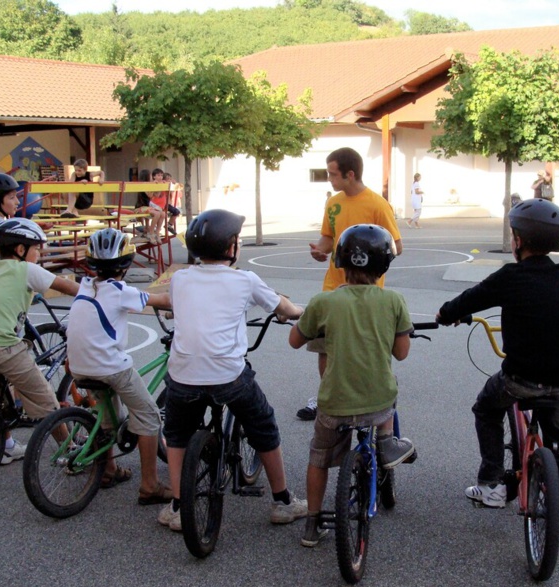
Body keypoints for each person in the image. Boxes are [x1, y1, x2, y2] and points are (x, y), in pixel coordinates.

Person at [435, 199, 559, 535]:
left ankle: (491, 485)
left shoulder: (511, 276)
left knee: (486, 408)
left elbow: (471, 299)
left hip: (521, 379)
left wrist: (446, 313)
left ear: (519, 241)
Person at [158, 209, 307, 531]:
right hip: (228, 376)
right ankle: (282, 501)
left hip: (183, 376)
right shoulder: (245, 280)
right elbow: (285, 308)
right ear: (231, 246)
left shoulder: (181, 278)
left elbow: (179, 305)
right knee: (264, 426)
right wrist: (296, 313)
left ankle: (177, 506)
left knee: (176, 434)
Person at [288, 224, 416, 547]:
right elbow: (401, 353)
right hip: (377, 405)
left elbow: (294, 341)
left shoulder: (324, 302)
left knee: (319, 458)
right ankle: (386, 441)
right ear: (384, 264)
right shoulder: (394, 301)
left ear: (341, 262)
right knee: (389, 385)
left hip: (334, 405)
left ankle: (312, 525)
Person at [0, 218, 79, 464]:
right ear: (21, 250)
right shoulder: (28, 270)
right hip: (2, 346)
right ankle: (69, 451)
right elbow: (70, 288)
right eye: (37, 248)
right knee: (47, 401)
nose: (39, 253)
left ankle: (6, 446)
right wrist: (101, 290)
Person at [66, 228, 173, 501]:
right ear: (125, 265)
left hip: (79, 366)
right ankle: (150, 485)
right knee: (148, 416)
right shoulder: (120, 290)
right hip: (110, 367)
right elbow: (161, 301)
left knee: (107, 415)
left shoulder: (85, 285)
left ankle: (108, 470)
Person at [297, 146, 403, 421]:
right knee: (325, 346)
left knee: (368, 348)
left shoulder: (377, 204)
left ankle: (376, 396)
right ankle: (327, 398)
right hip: (333, 287)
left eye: (333, 174)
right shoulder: (333, 203)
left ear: (350, 174)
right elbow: (328, 239)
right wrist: (320, 251)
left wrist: (367, 256)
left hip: (368, 290)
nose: (330, 179)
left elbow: (396, 246)